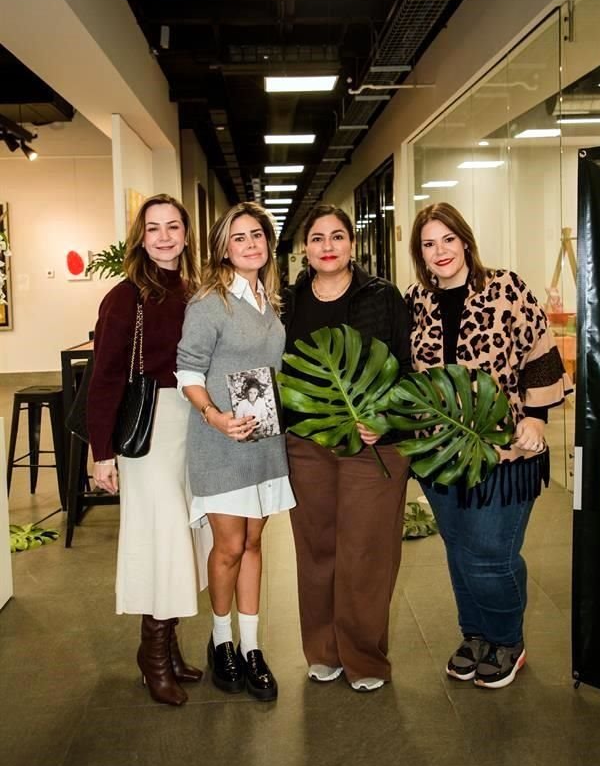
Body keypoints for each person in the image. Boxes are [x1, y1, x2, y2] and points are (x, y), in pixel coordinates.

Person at [406, 202, 572, 689]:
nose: (440, 251)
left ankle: (507, 641)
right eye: (428, 244)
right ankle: (475, 634)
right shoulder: (415, 300)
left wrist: (537, 420)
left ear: (465, 240)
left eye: (447, 239)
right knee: (459, 551)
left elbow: (540, 353)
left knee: (491, 554)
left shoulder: (506, 288)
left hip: (504, 451)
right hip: (440, 454)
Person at [282, 204, 411, 693]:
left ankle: (366, 658)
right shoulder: (289, 301)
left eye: (337, 236)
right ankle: (323, 651)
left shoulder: (382, 296)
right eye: (317, 238)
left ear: (351, 244)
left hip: (372, 444)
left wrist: (388, 419)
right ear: (306, 249)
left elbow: (404, 366)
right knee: (316, 549)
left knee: (366, 552)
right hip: (307, 441)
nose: (328, 246)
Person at [176, 202, 294, 702]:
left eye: (258, 236)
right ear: (224, 247)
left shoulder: (270, 300)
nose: (251, 244)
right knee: (228, 546)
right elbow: (188, 374)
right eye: (239, 237)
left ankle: (251, 647)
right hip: (221, 441)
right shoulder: (209, 302)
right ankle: (220, 642)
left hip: (264, 441)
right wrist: (216, 417)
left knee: (253, 544)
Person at [87, 193, 201, 707]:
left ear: (184, 233)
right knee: (162, 538)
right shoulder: (126, 296)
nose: (162, 236)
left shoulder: (195, 288)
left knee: (180, 539)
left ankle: (169, 643)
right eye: (152, 228)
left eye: (172, 226)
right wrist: (101, 451)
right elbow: (105, 377)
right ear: (140, 236)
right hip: (149, 429)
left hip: (190, 426)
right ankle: (152, 654)